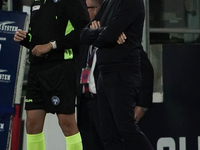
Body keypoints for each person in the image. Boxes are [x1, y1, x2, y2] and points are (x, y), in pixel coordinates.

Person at [13, 0, 90, 150]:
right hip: (37, 68)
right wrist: (27, 39)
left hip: (61, 66)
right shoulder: (36, 2)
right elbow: (38, 41)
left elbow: (84, 30)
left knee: (66, 122)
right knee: (32, 123)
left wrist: (52, 45)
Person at [80, 0, 154, 149]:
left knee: (126, 129)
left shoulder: (132, 3)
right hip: (104, 74)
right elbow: (83, 34)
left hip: (122, 72)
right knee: (109, 136)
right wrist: (105, 31)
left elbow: (108, 36)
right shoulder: (109, 2)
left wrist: (105, 32)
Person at [76, 0, 104, 150]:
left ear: (97, 9)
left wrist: (142, 104)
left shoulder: (111, 32)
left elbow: (144, 66)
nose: (84, 12)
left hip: (103, 101)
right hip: (84, 103)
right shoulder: (83, 35)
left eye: (86, 8)